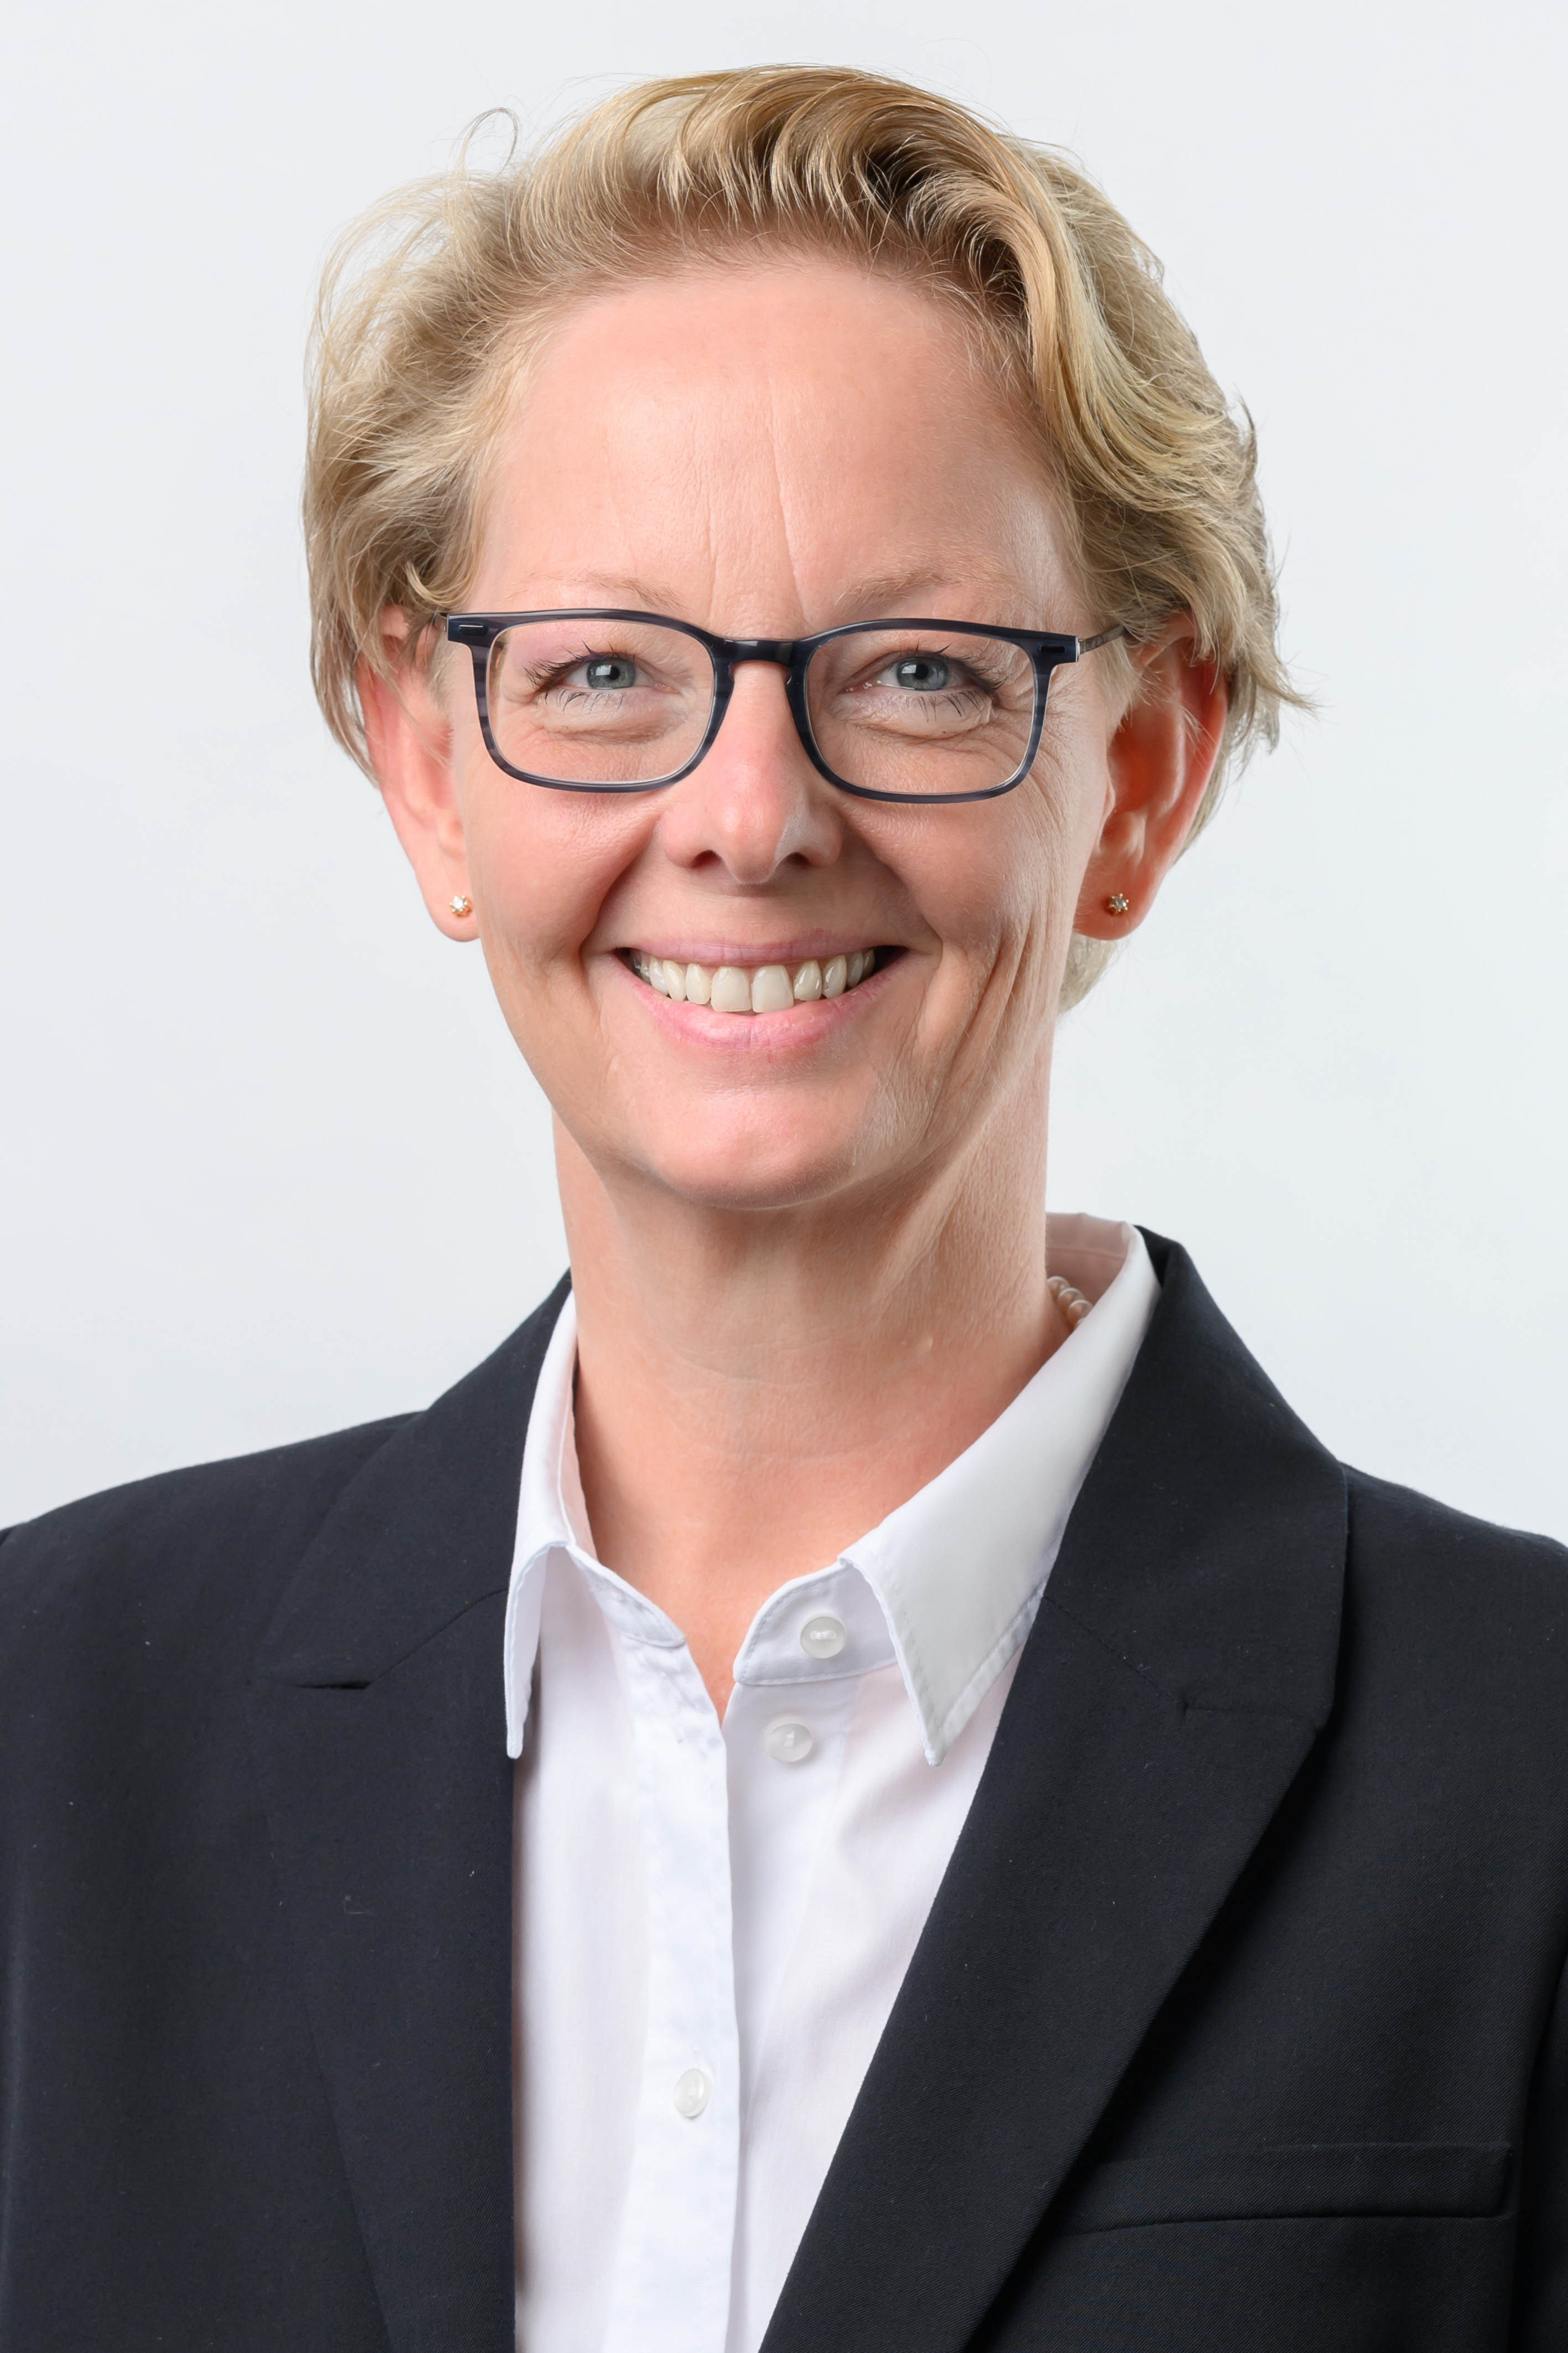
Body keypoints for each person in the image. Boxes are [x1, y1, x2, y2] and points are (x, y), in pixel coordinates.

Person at [0, 62, 1564, 2353]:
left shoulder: (1528, 1770)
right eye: (601, 672)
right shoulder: (43, 1728)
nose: (750, 814)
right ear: (427, 770)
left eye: (917, 674)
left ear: (1135, 781)